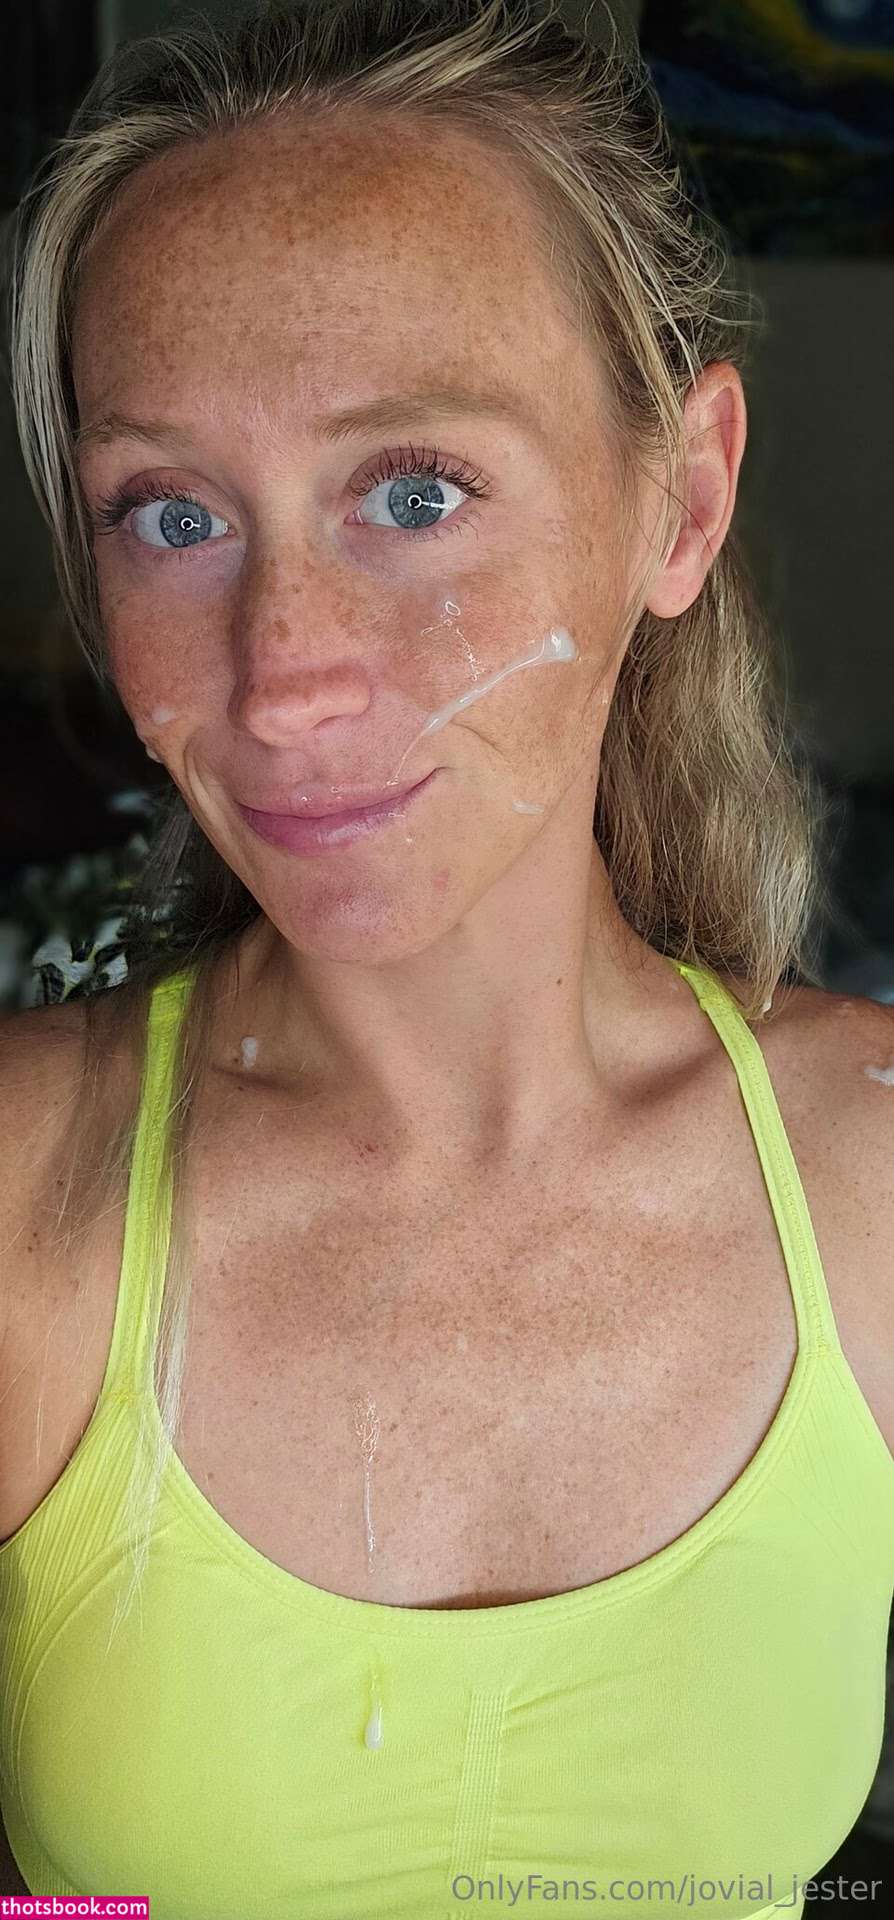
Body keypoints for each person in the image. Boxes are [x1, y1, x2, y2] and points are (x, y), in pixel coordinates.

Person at [1, 2, 892, 1913]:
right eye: (173, 514)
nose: (281, 677)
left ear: (682, 499)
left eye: (413, 492)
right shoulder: (20, 1195)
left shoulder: (873, 1177)